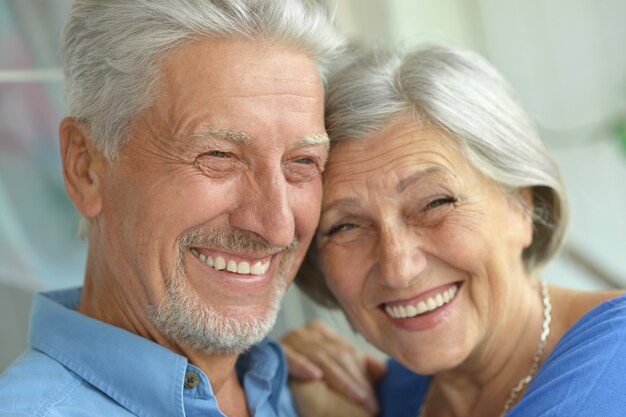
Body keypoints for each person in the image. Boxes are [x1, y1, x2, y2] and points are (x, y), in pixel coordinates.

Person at [0, 1, 345, 416]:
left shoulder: (308, 392)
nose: (276, 225)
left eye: (303, 162)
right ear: (85, 167)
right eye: (219, 155)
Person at [282, 43, 626, 417]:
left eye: (435, 204)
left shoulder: (614, 360)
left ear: (522, 205)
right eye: (345, 226)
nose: (399, 268)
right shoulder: (380, 392)